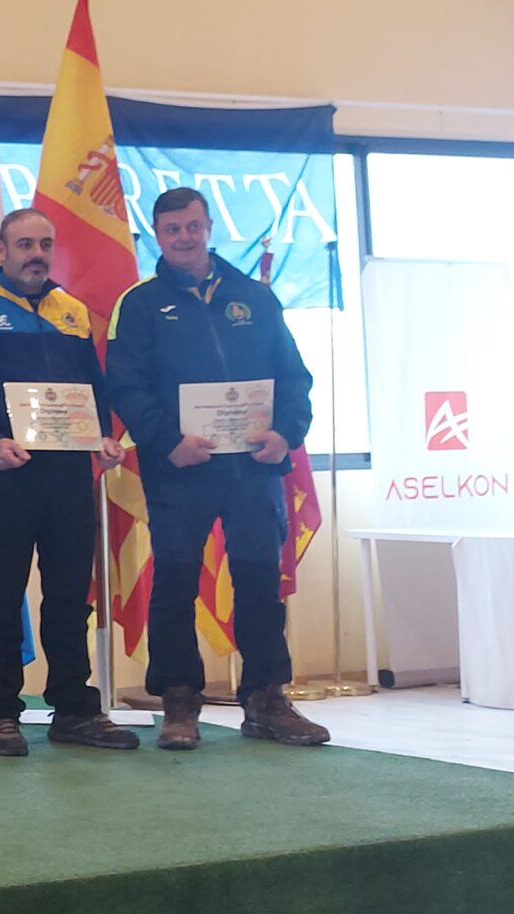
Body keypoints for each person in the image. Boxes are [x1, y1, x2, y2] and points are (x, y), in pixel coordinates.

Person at [106, 187, 329, 749]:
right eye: (172, 229)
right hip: (180, 469)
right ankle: (179, 703)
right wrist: (167, 442)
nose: (184, 237)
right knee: (174, 584)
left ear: (208, 228)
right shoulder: (141, 304)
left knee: (259, 583)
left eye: (193, 226)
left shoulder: (254, 297)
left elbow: (293, 375)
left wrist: (286, 433)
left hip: (253, 468)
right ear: (157, 236)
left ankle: (266, 700)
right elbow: (126, 385)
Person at [0, 209, 140, 756]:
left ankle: (74, 708)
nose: (37, 254)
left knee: (71, 596)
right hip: (6, 470)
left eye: (45, 244)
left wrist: (102, 437)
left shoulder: (71, 310)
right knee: (2, 595)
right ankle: (0, 713)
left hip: (69, 474)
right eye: (25, 244)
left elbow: (92, 388)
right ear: (2, 251)